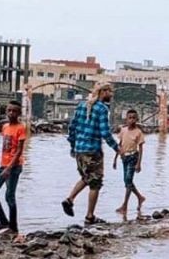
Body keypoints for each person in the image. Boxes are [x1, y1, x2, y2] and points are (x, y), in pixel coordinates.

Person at [62, 82, 121, 225]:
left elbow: (72, 127)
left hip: (79, 150)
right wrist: (117, 148)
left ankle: (69, 199)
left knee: (86, 177)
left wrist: (72, 146)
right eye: (110, 92)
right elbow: (105, 133)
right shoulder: (101, 109)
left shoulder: (82, 105)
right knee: (95, 183)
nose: (111, 95)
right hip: (92, 150)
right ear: (103, 92)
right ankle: (90, 216)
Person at [0, 101, 27, 243]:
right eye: (9, 111)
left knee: (10, 196)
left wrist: (9, 168)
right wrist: (5, 167)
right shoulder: (5, 127)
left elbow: (19, 151)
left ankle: (14, 227)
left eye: (14, 111)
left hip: (14, 167)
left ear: (19, 113)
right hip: (3, 165)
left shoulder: (21, 128)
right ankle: (3, 221)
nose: (11, 113)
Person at [113, 109, 146, 217]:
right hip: (124, 157)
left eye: (133, 118)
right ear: (126, 119)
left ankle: (125, 205)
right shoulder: (123, 130)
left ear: (137, 119)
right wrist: (115, 159)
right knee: (127, 181)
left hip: (133, 157)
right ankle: (140, 197)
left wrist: (139, 164)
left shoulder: (138, 132)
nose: (131, 120)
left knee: (128, 180)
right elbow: (120, 145)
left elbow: (141, 149)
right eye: (129, 117)